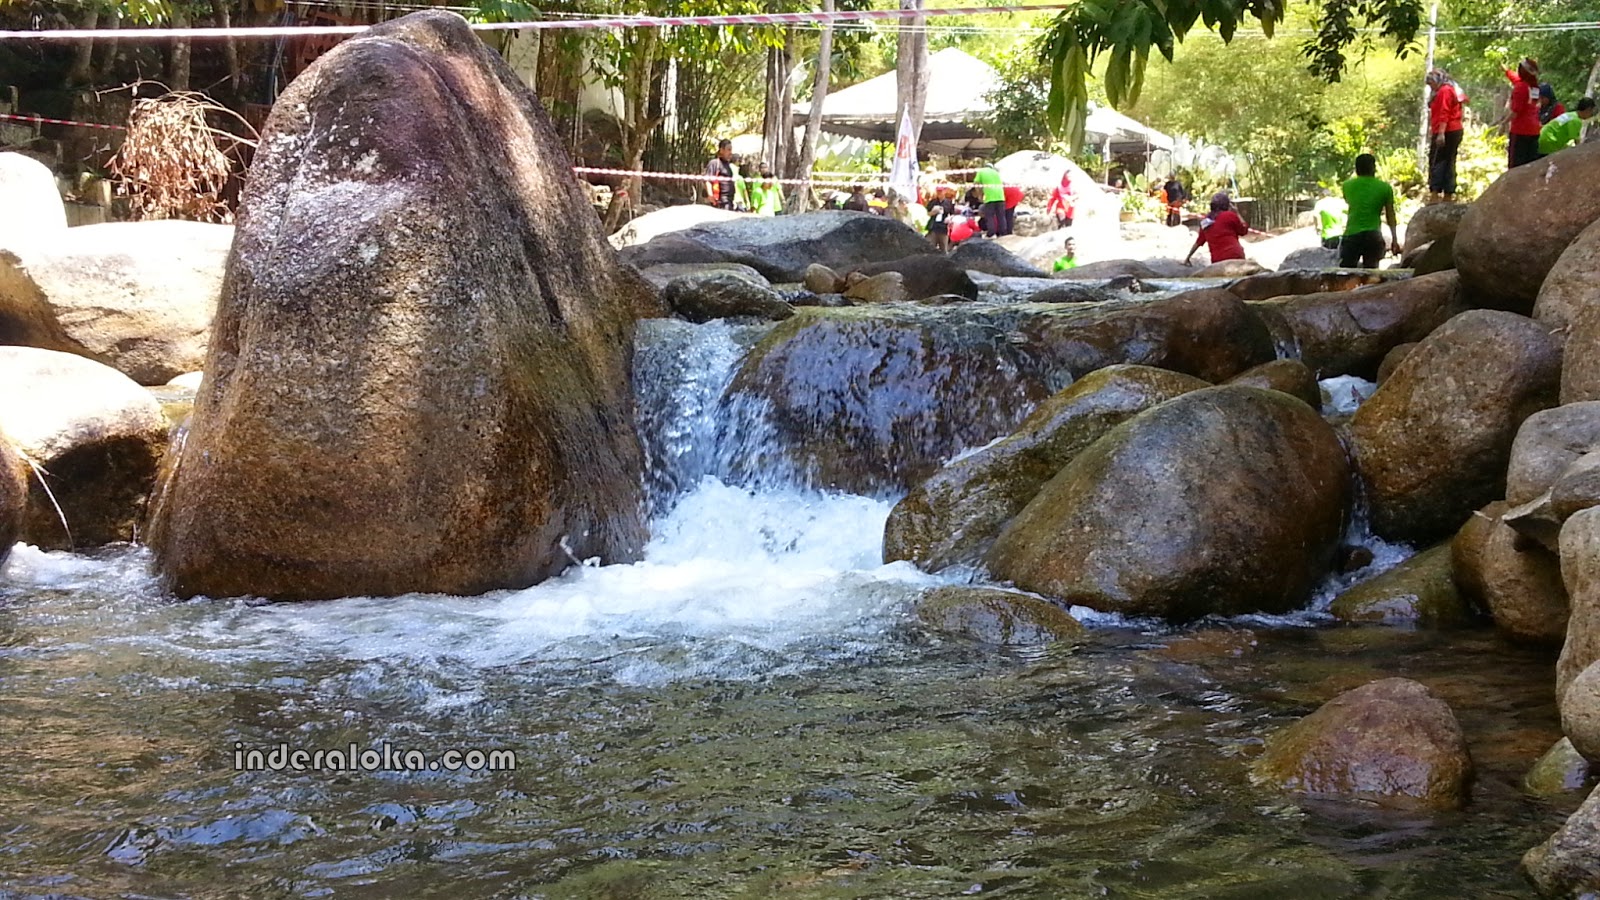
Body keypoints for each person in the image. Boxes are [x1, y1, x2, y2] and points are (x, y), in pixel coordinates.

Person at [1338, 153, 1400, 269]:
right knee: (1371, 273)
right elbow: (1390, 216)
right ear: (1373, 168)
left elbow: (1350, 202)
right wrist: (1394, 240)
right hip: (1373, 236)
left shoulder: (1346, 185)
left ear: (1356, 169)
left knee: (1346, 272)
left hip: (1352, 235)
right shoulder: (1385, 188)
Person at [1426, 68, 1468, 203]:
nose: (1431, 87)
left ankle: (1436, 193)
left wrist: (1441, 133)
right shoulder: (1450, 89)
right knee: (1449, 161)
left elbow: (1444, 112)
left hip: (1447, 131)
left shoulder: (1444, 91)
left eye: (1431, 83)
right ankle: (1447, 193)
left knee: (1437, 161)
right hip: (1452, 130)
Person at [1183, 193, 1249, 266]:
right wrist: (1237, 213)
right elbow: (1244, 231)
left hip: (1218, 261)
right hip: (1236, 256)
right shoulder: (1230, 215)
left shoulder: (1206, 222)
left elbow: (1198, 243)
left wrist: (1188, 258)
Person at [1506, 58, 1543, 169]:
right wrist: (1507, 71)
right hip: (1534, 130)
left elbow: (1516, 111)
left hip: (1520, 131)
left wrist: (1503, 122)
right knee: (1530, 164)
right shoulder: (1534, 87)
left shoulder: (1520, 87)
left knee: (1516, 165)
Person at [974, 162, 1005, 237]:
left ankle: (991, 233)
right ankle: (1002, 232)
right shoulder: (996, 172)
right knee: (1000, 216)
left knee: (989, 216)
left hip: (990, 197)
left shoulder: (981, 171)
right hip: (1000, 197)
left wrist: (980, 195)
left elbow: (976, 183)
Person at [704, 139, 737, 208]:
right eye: (728, 150)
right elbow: (708, 181)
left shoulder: (728, 165)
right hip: (720, 201)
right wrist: (710, 196)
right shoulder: (714, 163)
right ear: (721, 150)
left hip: (729, 201)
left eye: (731, 150)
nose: (730, 153)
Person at [925, 185, 956, 253]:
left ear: (944, 191)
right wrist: (933, 212)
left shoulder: (949, 202)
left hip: (943, 227)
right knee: (930, 247)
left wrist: (949, 218)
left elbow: (952, 214)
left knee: (944, 248)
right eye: (938, 191)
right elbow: (927, 213)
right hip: (933, 227)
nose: (939, 193)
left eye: (941, 191)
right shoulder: (932, 202)